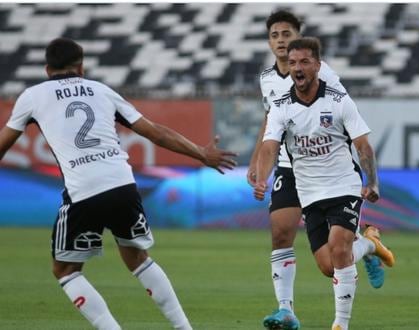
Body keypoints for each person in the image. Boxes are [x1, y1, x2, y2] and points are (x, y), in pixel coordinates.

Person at [0, 38, 238, 330]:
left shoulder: (32, 96)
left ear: (47, 69)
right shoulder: (102, 91)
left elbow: (4, 143)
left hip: (84, 190)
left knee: (65, 270)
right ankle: (184, 327)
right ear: (82, 67)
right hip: (123, 184)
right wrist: (201, 153)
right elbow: (155, 132)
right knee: (137, 257)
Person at [247, 10, 387, 330]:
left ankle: (340, 321)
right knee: (284, 234)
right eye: (275, 35)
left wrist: (370, 179)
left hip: (335, 173)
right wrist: (259, 167)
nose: (281, 40)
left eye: (287, 34)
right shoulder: (268, 80)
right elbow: (269, 129)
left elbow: (348, 125)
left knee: (338, 252)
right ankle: (286, 310)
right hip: (290, 166)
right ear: (269, 43)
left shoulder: (329, 82)